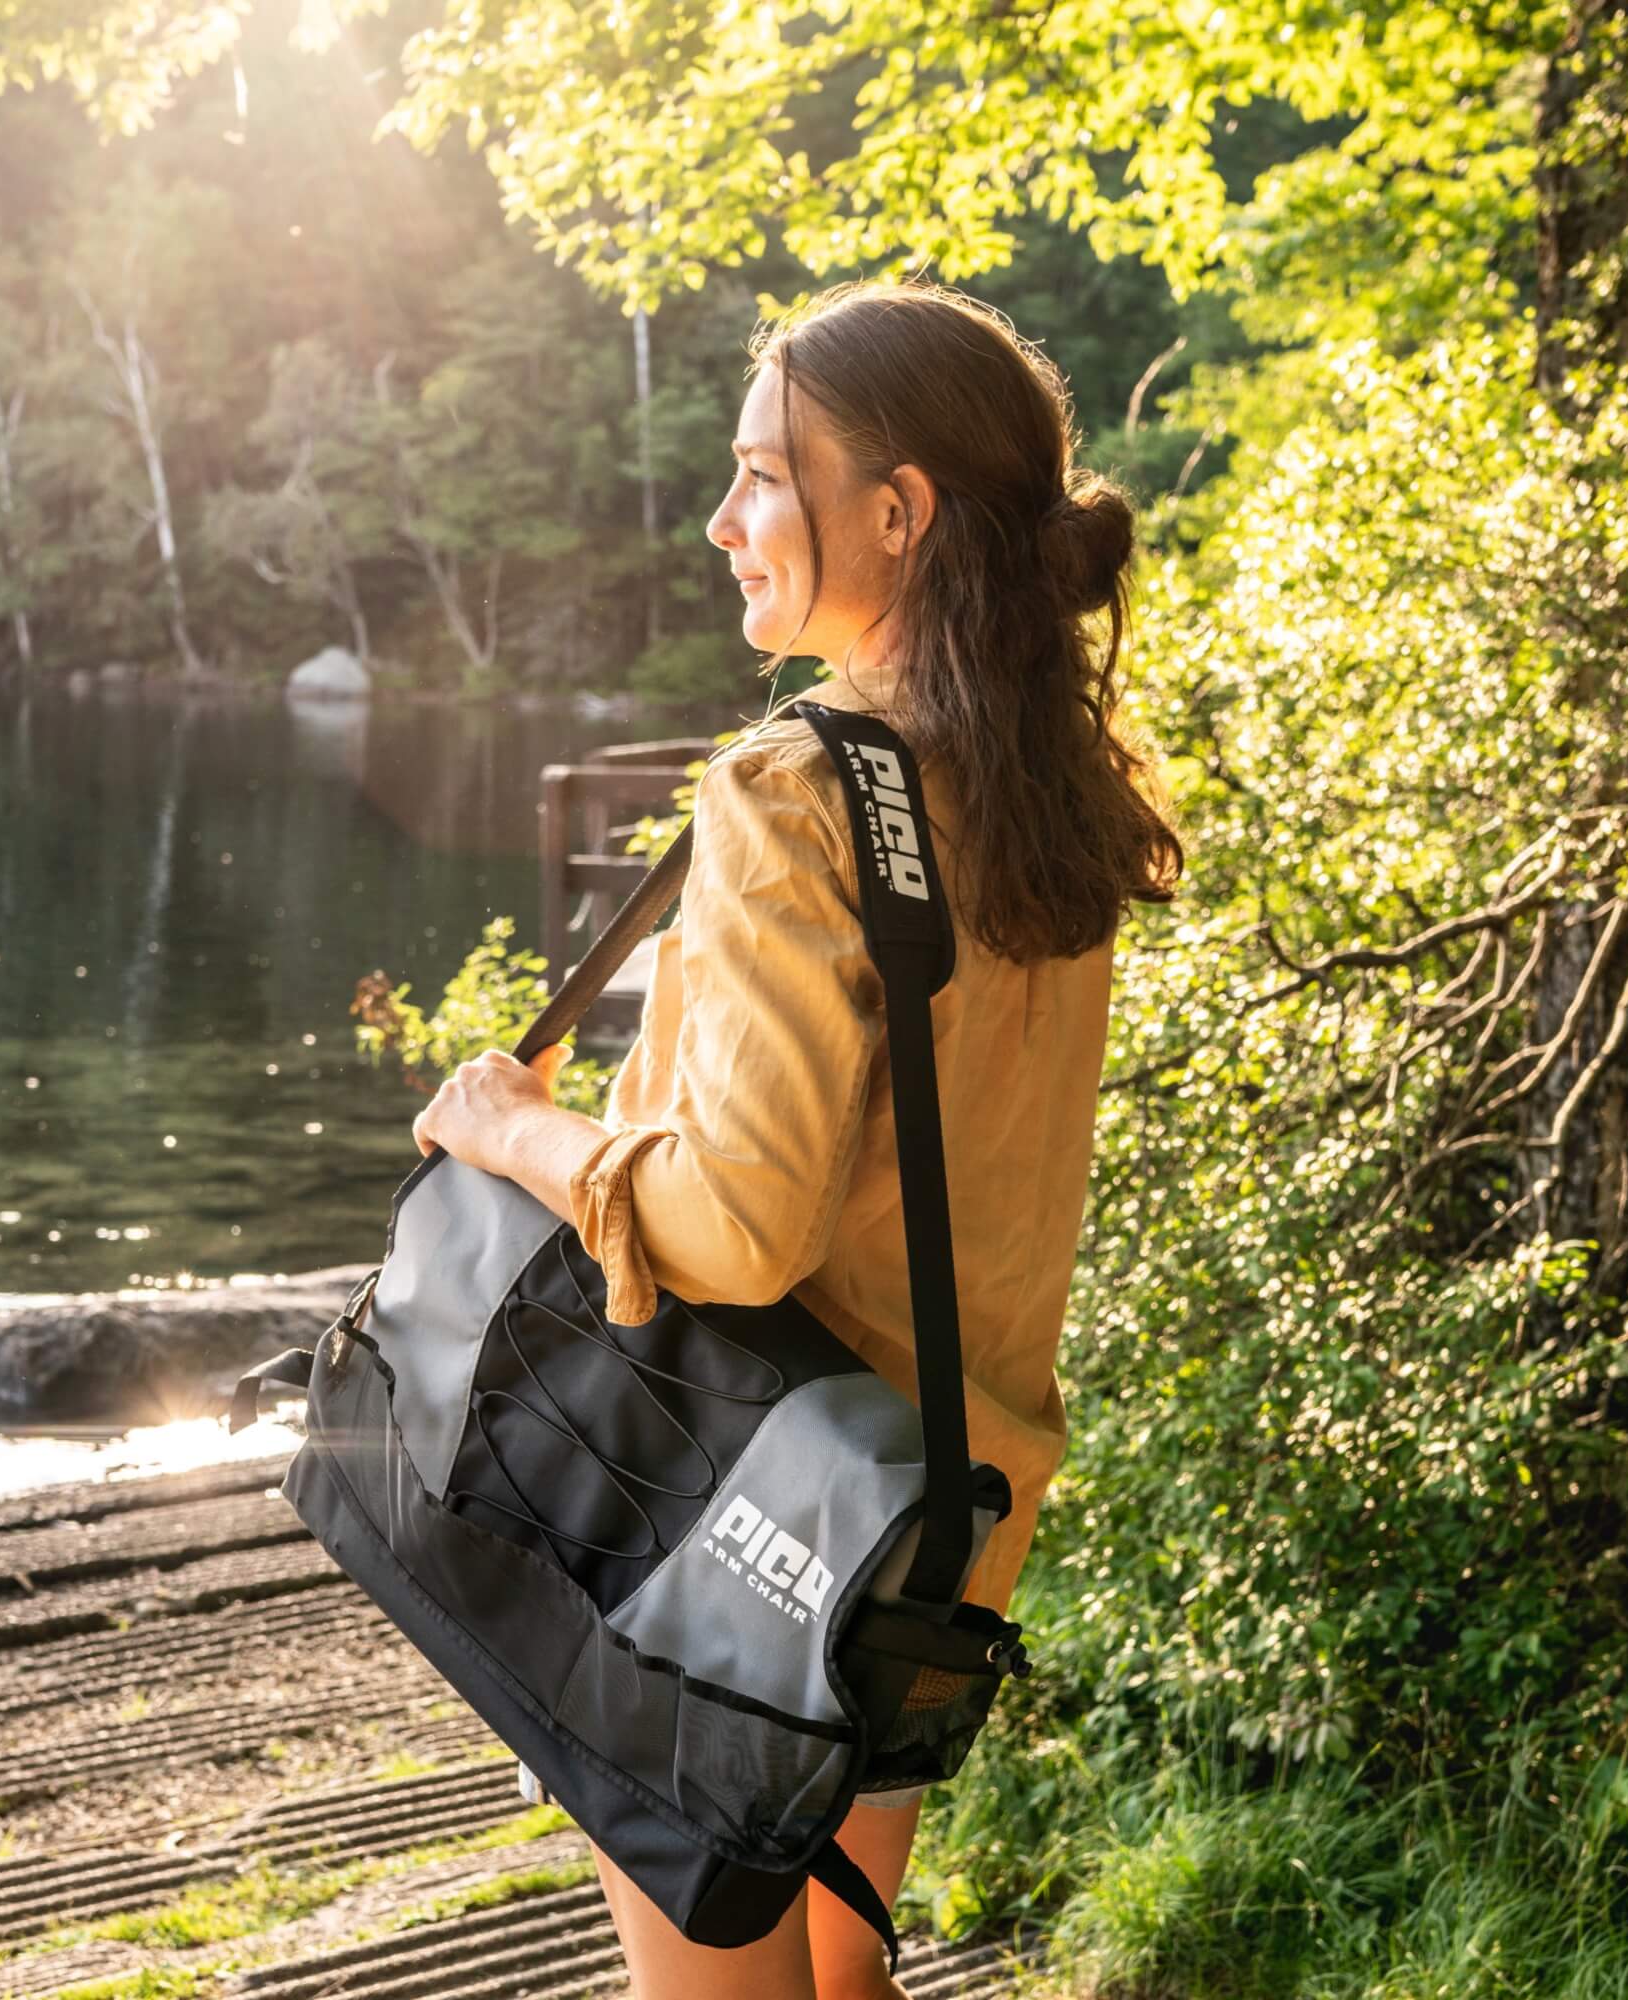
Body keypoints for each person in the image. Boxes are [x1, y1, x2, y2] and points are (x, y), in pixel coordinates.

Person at [411, 278, 1184, 2000]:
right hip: (934, 1522)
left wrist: (516, 1132)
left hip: (741, 1509)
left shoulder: (799, 789)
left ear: (894, 512)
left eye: (766, 474)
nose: (723, 517)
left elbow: (736, 1227)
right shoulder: (1048, 782)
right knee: (840, 1978)